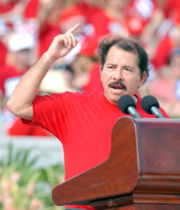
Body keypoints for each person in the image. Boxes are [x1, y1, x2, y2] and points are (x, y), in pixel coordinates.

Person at [7, 23, 168, 210]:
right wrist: (49, 57)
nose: (117, 75)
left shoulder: (154, 116)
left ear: (142, 78)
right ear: (100, 72)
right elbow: (17, 105)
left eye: (127, 69)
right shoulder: (73, 106)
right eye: (111, 67)